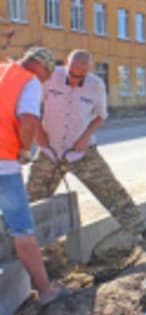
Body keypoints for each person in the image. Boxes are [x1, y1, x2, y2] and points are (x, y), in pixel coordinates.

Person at [26, 49, 146, 243]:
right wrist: (39, 135)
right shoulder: (51, 77)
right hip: (51, 151)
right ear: (66, 64)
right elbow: (30, 108)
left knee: (113, 192)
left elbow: (100, 116)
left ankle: (143, 230)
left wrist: (85, 138)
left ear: (89, 70)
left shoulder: (96, 86)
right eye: (72, 75)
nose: (74, 81)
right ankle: (23, 244)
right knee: (32, 199)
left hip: (82, 153)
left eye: (80, 77)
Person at [0, 47, 74, 305]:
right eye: (46, 76)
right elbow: (29, 121)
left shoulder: (3, 72)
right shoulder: (28, 80)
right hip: (3, 165)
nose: (44, 82)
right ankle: (46, 291)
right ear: (40, 66)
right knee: (22, 230)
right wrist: (23, 150)